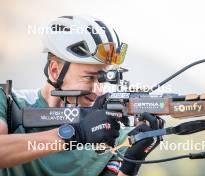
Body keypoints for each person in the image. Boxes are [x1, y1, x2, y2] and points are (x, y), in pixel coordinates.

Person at [0, 15, 163, 176]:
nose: (98, 91)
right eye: (89, 77)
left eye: (104, 78)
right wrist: (74, 133)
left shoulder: (112, 134)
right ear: (55, 71)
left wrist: (131, 163)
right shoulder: (9, 103)